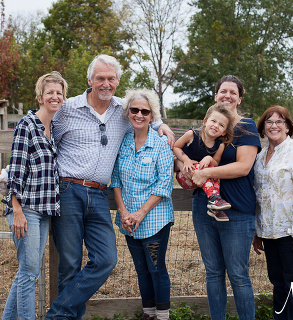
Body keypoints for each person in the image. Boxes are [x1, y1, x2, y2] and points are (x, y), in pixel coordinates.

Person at [46, 55, 174, 320]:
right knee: (69, 264)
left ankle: (57, 314)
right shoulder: (67, 109)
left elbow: (146, 117)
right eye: (100, 78)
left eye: (111, 79)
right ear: (90, 80)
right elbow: (47, 138)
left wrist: (163, 126)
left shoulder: (122, 110)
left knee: (106, 259)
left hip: (99, 194)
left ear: (117, 82)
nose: (106, 83)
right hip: (68, 189)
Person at [184, 75, 261, 320]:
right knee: (213, 273)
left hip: (237, 210)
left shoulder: (245, 126)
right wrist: (186, 165)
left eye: (232, 92)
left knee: (238, 274)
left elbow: (243, 167)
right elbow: (182, 150)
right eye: (222, 91)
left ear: (240, 98)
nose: (227, 96)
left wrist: (206, 171)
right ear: (215, 95)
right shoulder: (211, 126)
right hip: (203, 208)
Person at [1, 72, 68, 320]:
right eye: (50, 92)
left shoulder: (55, 129)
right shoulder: (26, 125)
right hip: (25, 210)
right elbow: (15, 172)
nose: (55, 96)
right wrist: (16, 211)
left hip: (44, 212)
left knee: (27, 273)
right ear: (40, 96)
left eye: (59, 93)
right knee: (29, 274)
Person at [252, 105, 293, 320]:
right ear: (263, 127)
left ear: (288, 126)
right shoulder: (261, 156)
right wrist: (258, 231)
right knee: (278, 282)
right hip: (271, 230)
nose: (274, 126)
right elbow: (259, 195)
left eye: (279, 121)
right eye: (269, 122)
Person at [111, 89, 174, 320]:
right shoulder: (124, 142)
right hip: (129, 221)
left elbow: (164, 184)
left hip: (154, 222)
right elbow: (115, 178)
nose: (139, 114)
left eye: (144, 111)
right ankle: (149, 313)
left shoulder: (160, 144)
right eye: (134, 110)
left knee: (156, 268)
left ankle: (163, 315)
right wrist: (123, 211)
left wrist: (140, 213)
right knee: (141, 269)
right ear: (128, 112)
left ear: (152, 115)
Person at [173, 103, 234, 221]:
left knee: (214, 171)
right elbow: (176, 147)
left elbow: (216, 163)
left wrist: (209, 158)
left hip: (202, 179)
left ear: (224, 132)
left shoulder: (219, 145)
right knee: (200, 167)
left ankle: (214, 208)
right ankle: (214, 199)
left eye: (221, 125)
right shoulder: (192, 135)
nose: (216, 126)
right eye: (213, 121)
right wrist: (186, 160)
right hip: (185, 175)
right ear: (205, 121)